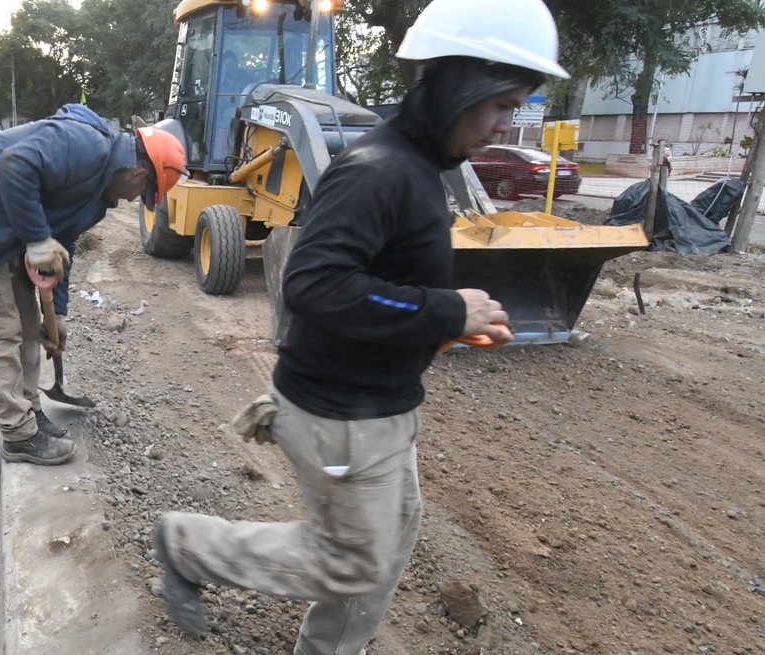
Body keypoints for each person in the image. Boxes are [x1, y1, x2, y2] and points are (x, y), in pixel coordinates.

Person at [149, 0, 567, 652]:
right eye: (500, 104)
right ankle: (187, 545)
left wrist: (441, 321)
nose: (504, 123)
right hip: (338, 411)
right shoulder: (381, 171)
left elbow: (374, 282)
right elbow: (313, 283)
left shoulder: (421, 168)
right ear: (461, 83)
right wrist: (447, 310)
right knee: (350, 559)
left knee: (390, 535)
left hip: (381, 404)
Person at [0, 104, 185, 465]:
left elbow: (63, 246)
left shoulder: (98, 195)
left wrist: (59, 311)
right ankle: (18, 435)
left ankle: (30, 411)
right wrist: (38, 239)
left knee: (27, 325)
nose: (135, 201)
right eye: (143, 193)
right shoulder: (85, 145)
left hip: (6, 229)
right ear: (136, 173)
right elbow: (14, 166)